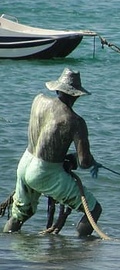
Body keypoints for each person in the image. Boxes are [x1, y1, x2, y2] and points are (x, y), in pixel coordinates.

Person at [3, 68, 102, 237]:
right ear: (77, 95)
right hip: (44, 172)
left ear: (57, 89)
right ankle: (81, 250)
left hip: (25, 162)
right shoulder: (75, 121)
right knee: (94, 209)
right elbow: (84, 161)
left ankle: (6, 247)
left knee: (18, 216)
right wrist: (89, 161)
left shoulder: (38, 101)